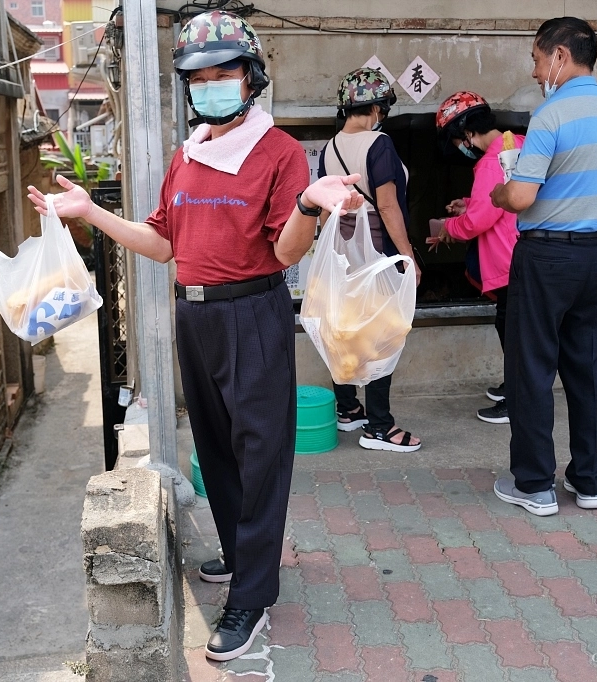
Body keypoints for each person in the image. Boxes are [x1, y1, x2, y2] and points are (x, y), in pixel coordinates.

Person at [27, 11, 363, 661]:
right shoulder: (188, 155)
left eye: (223, 73)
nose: (210, 86)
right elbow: (161, 243)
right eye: (198, 78)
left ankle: (252, 596)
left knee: (261, 454)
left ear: (251, 77)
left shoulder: (278, 153)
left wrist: (307, 207)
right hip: (196, 316)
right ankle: (240, 553)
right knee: (216, 448)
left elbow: (285, 250)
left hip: (253, 313)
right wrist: (92, 211)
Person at [490, 17, 597, 516]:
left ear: (560, 55)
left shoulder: (550, 116)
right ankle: (589, 482)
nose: (536, 72)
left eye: (537, 60)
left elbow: (521, 196)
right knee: (588, 365)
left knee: (531, 367)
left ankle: (535, 484)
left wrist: (500, 192)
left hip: (547, 256)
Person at [318, 67, 421, 453]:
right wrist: (408, 257)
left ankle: (348, 409)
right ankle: (380, 427)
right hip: (379, 250)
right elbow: (389, 206)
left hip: (345, 249)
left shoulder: (330, 147)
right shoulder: (380, 144)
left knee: (346, 327)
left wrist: (331, 253)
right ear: (378, 108)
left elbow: (327, 209)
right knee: (383, 333)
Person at [428, 91, 524, 426]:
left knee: (513, 332)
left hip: (509, 259)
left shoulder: (489, 162)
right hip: (524, 254)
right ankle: (515, 387)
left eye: (456, 140)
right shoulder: (517, 144)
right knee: (515, 327)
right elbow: (503, 199)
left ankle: (517, 401)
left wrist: (449, 227)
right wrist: (469, 203)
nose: (459, 147)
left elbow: (478, 222)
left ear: (467, 133)